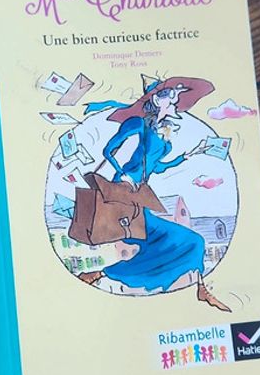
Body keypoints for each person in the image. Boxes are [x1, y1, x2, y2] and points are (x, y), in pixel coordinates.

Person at [78, 75, 227, 305]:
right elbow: (108, 151)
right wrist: (123, 173)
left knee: (192, 241)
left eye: (176, 97)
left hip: (140, 195)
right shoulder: (137, 124)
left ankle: (201, 288)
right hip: (123, 192)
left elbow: (158, 167)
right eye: (171, 96)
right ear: (157, 100)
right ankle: (101, 274)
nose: (175, 101)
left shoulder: (163, 139)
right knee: (171, 239)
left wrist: (189, 155)